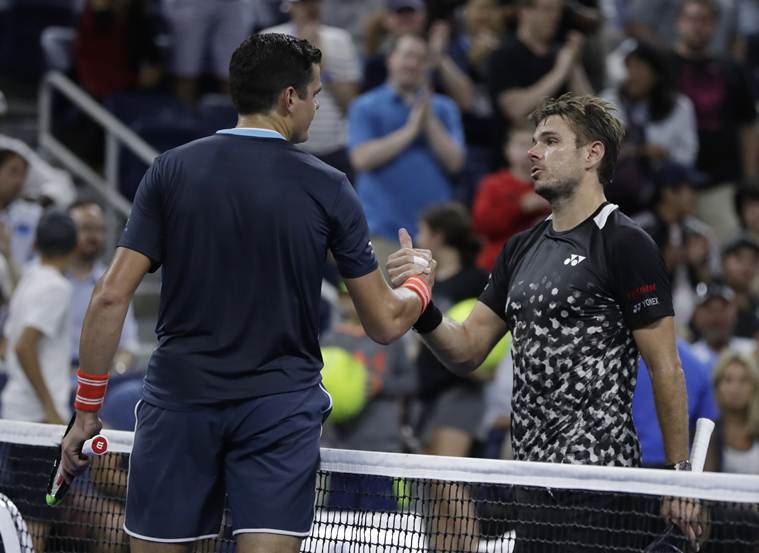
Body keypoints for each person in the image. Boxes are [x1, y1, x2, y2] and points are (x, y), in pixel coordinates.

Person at [59, 33, 436, 553]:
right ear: (288, 98)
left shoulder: (171, 169)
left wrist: (86, 411)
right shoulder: (329, 186)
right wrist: (419, 280)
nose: (317, 107)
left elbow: (108, 296)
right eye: (315, 95)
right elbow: (386, 323)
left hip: (180, 404)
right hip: (277, 412)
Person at [387, 93, 698, 552]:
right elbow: (468, 348)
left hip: (601, 487)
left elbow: (666, 367)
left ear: (593, 154)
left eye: (550, 141)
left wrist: (679, 479)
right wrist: (424, 306)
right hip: (530, 486)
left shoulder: (625, 242)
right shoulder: (518, 249)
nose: (533, 152)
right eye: (533, 141)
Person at [348, 32, 465, 268]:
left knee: (436, 304)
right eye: (407, 56)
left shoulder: (445, 108)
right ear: (391, 59)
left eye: (420, 59)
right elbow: (361, 158)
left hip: (436, 237)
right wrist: (410, 130)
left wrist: (428, 118)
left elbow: (456, 162)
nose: (412, 64)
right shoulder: (365, 106)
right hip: (382, 232)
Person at [0, 210, 78, 553]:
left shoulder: (30, 278)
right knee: (35, 525)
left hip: (16, 416)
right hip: (37, 423)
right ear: (75, 247)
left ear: (35, 243)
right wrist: (51, 410)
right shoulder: (57, 287)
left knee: (21, 520)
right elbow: (24, 344)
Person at [672, 0, 758, 241]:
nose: (698, 26)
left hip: (722, 183)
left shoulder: (732, 69)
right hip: (673, 188)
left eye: (705, 20)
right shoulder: (664, 67)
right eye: (692, 19)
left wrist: (748, 178)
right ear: (679, 23)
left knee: (728, 250)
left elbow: (748, 126)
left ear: (715, 25)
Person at [261, 0, 361, 177]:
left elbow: (350, 105)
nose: (309, 8)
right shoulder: (270, 39)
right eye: (303, 3)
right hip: (286, 147)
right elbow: (266, 102)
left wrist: (323, 65)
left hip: (334, 148)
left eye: (313, 2)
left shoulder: (340, 40)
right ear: (289, 6)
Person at [68, 200, 139, 372]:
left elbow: (129, 346)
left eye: (100, 230)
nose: (95, 237)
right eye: (87, 228)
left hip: (98, 374)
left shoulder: (113, 281)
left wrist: (118, 369)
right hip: (53, 374)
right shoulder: (48, 278)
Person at [471, 120, 549, 271]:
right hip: (496, 263)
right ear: (507, 150)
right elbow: (481, 224)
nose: (528, 151)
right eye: (521, 144)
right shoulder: (493, 184)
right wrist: (520, 207)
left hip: (540, 264)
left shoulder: (554, 184)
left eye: (533, 144)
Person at [712, 350, 759, 474]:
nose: (735, 388)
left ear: (754, 386)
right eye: (728, 380)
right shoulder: (708, 433)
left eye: (744, 380)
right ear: (717, 386)